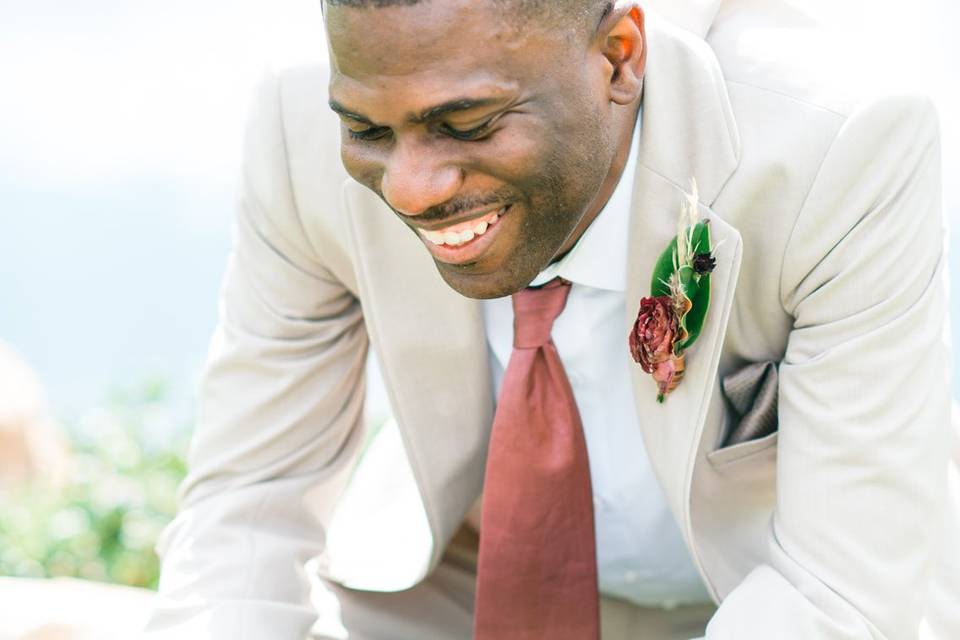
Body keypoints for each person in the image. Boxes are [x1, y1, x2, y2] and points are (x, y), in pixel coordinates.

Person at [145, 0, 960, 638]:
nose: (411, 188)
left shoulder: (839, 146)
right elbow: (248, 499)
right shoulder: (299, 126)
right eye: (368, 131)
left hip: (777, 594)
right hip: (461, 591)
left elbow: (835, 595)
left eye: (467, 124)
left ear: (620, 60)